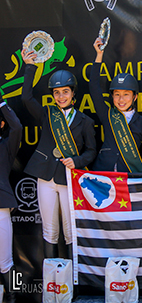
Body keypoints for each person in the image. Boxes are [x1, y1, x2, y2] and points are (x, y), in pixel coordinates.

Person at [21, 49, 97, 259]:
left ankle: (72, 285)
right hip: (45, 176)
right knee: (50, 230)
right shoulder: (47, 113)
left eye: (65, 91)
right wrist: (30, 67)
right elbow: (26, 98)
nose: (61, 96)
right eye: (57, 92)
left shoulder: (85, 121)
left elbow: (91, 151)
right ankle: (51, 285)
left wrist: (78, 161)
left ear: (73, 93)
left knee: (70, 230)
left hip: (69, 179)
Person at [90, 38, 142, 173]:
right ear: (112, 96)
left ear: (135, 97)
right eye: (117, 94)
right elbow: (93, 87)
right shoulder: (106, 114)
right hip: (103, 176)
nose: (121, 99)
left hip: (130, 179)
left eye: (126, 94)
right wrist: (99, 55)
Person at [0, 95, 22, 303]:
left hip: (1, 208)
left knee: (6, 261)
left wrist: (1, 103)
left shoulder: (6, 146)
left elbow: (16, 127)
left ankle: (14, 296)